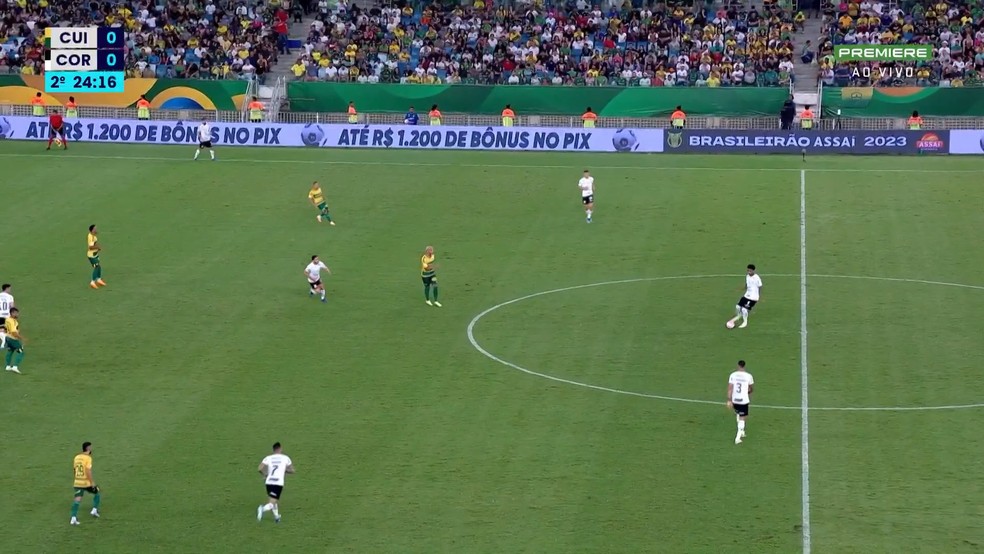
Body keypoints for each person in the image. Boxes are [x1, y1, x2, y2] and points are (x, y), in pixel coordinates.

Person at [257, 442, 294, 523]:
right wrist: (285, 470)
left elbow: (259, 468)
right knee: (272, 502)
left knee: (273, 500)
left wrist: (265, 474)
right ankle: (262, 509)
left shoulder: (268, 458)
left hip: (268, 482)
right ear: (280, 448)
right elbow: (292, 470)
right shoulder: (285, 458)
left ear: (273, 450)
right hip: (278, 483)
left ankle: (277, 517)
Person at [71, 441, 101, 525]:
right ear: (88, 448)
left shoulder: (76, 457)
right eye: (90, 447)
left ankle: (73, 518)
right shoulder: (88, 458)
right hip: (86, 482)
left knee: (77, 499)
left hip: (77, 481)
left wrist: (77, 478)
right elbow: (88, 470)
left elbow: (74, 469)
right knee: (97, 491)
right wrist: (92, 482)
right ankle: (94, 510)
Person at [727, 264, 763, 329]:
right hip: (747, 295)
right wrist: (741, 289)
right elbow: (747, 285)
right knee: (737, 307)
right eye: (748, 270)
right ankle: (739, 316)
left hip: (753, 297)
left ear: (753, 270)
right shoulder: (747, 276)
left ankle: (745, 322)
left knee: (744, 309)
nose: (749, 272)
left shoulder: (757, 277)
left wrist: (759, 296)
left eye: (750, 271)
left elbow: (760, 286)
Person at [727, 361, 754, 445]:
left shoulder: (733, 375)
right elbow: (751, 389)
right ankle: (738, 438)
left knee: (739, 414)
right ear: (744, 366)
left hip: (735, 399)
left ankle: (742, 431)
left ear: (738, 366)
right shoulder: (749, 376)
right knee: (743, 417)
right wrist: (748, 392)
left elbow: (730, 388)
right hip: (743, 400)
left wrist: (729, 400)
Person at [4, 307, 23, 373]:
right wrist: (22, 338)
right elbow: (13, 332)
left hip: (7, 338)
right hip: (12, 339)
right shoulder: (13, 321)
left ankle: (8, 366)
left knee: (10, 351)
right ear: (12, 313)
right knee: (21, 351)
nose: (17, 315)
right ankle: (15, 367)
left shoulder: (7, 319)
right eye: (16, 313)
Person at [87, 225, 106, 289]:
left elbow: (94, 244)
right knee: (96, 266)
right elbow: (90, 247)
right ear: (92, 230)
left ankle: (99, 279)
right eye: (95, 229)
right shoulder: (91, 237)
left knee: (99, 266)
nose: (96, 229)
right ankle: (92, 282)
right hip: (91, 255)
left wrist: (98, 248)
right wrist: (98, 247)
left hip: (95, 254)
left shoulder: (94, 236)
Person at [0, 283, 13, 349]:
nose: (10, 290)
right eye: (10, 288)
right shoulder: (10, 297)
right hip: (7, 316)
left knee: (1, 330)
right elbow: (12, 307)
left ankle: (3, 343)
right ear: (7, 288)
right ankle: (6, 343)